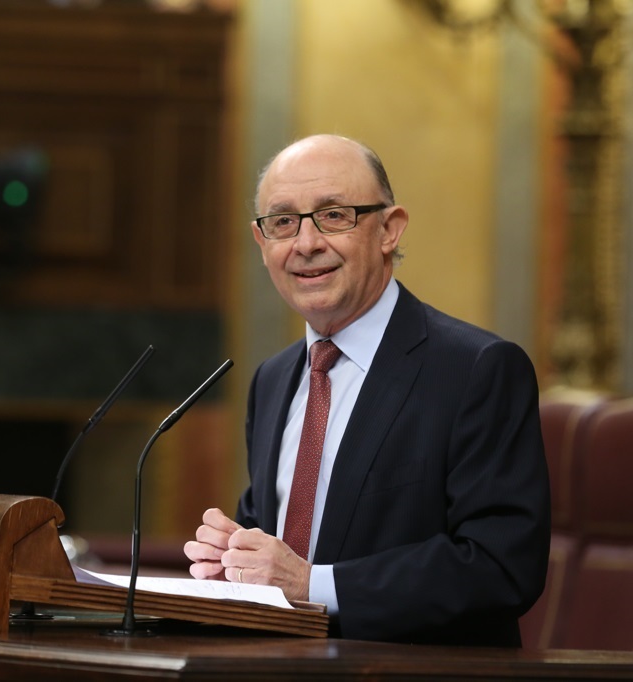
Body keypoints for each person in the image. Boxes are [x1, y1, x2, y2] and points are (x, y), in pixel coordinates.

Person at [183, 134, 550, 645]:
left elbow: (500, 566)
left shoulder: (477, 370)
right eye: (283, 222)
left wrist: (313, 584)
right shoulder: (272, 379)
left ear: (389, 231)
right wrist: (234, 561)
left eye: (334, 215)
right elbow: (277, 551)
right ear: (262, 242)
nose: (306, 244)